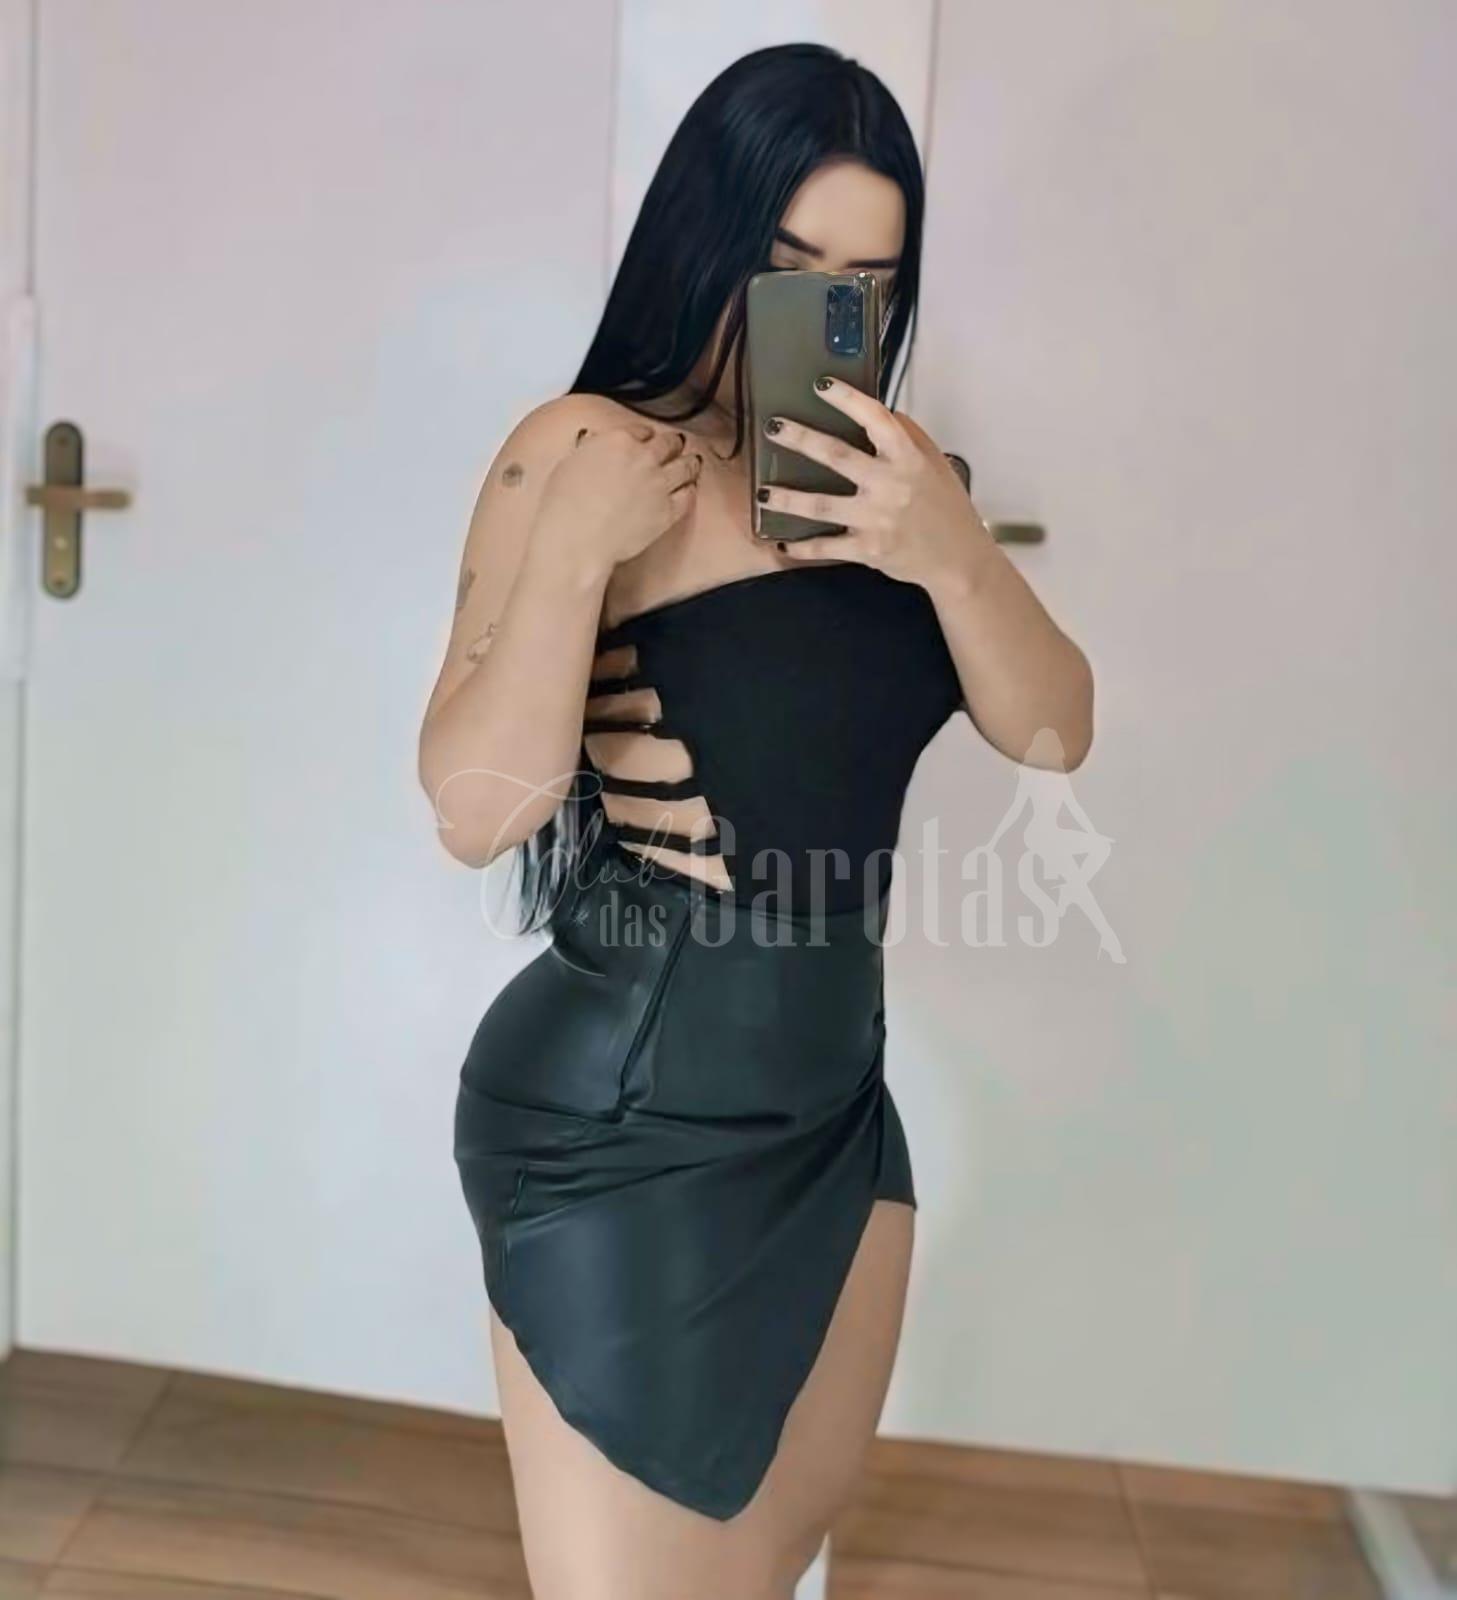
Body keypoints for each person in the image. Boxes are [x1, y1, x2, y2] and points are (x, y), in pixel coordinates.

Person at [418, 42, 1093, 1600]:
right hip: (619, 1128)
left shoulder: (902, 489)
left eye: (867, 283)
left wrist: (950, 551)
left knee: (770, 1567)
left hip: (834, 1107)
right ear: (703, 237)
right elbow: (472, 814)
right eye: (787, 267)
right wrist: (575, 559)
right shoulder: (582, 451)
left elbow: (1053, 729)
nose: (823, 313)